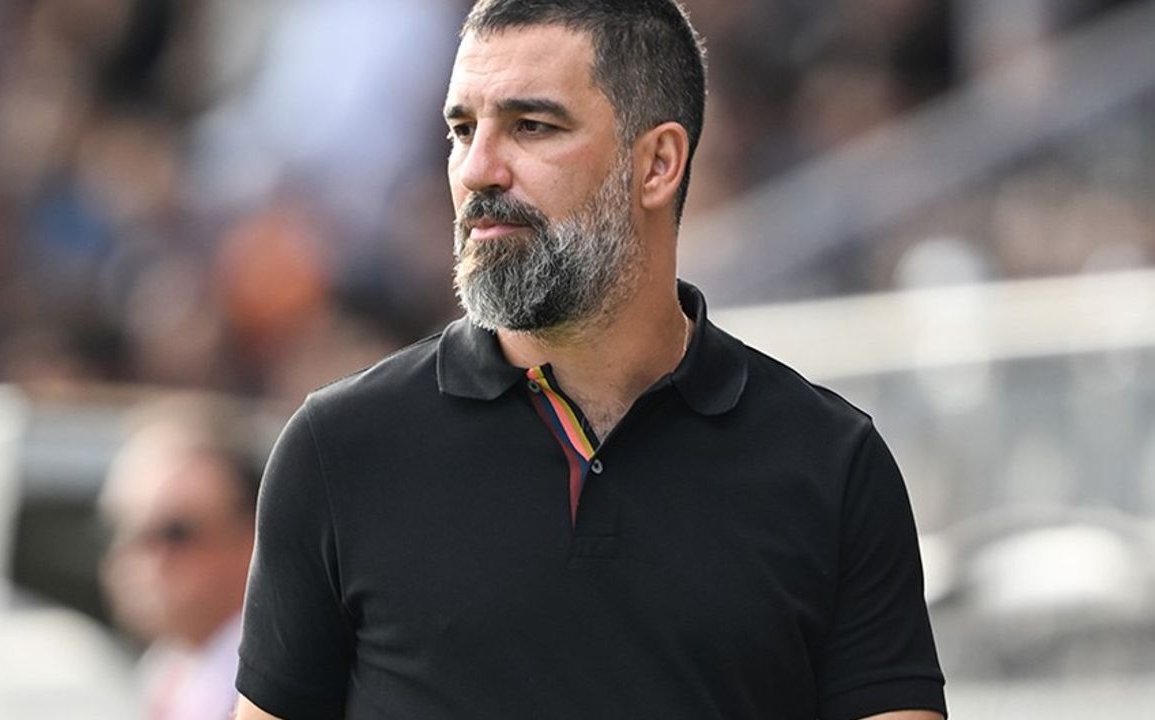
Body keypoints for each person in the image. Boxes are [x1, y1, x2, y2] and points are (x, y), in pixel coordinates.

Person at [234, 1, 947, 718]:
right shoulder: (338, 449)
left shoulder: (831, 462)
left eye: (532, 126)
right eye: (462, 130)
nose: (478, 170)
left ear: (658, 163)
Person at [99, 396, 261, 720]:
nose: (138, 554)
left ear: (252, 538)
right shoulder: (164, 671)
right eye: (121, 528)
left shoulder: (280, 684)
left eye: (174, 532)